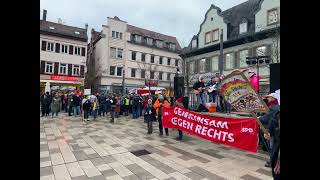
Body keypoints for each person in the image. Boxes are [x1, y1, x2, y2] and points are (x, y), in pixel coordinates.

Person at [264, 111, 280, 180]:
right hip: (277, 156)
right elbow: (270, 132)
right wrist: (268, 135)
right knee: (277, 176)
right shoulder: (275, 117)